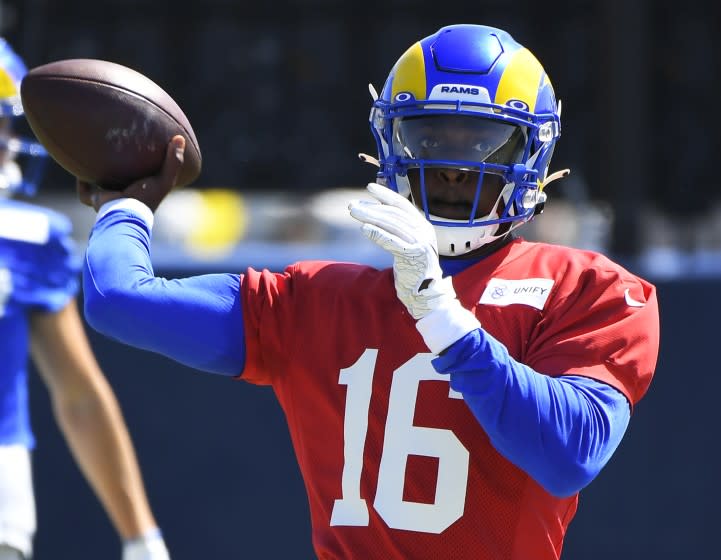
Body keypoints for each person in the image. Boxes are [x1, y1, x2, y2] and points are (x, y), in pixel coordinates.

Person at [75, 24, 659, 560]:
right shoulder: (314, 298)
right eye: (431, 138)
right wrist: (128, 203)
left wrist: (440, 313)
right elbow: (118, 299)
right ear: (391, 144)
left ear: (533, 154)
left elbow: (567, 454)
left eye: (483, 142)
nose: (455, 167)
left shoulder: (587, 289)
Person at [0, 38, 170, 560]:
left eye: (6, 126)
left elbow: (80, 395)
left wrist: (141, 535)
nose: (7, 143)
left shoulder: (27, 236)